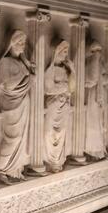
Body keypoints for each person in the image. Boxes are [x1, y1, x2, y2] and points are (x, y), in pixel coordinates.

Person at [0, 30, 35, 185]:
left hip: (24, 102)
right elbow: (6, 84)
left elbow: (33, 80)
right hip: (11, 105)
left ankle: (14, 169)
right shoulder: (5, 62)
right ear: (10, 44)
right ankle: (1, 170)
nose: (22, 46)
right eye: (19, 42)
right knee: (13, 139)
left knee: (21, 139)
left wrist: (27, 68)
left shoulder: (21, 63)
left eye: (23, 43)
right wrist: (26, 74)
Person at [44, 41, 75, 172]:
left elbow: (72, 88)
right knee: (49, 133)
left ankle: (57, 161)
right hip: (53, 105)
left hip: (64, 105)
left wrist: (72, 70)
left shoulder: (66, 70)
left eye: (67, 52)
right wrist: (64, 87)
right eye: (63, 51)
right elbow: (48, 89)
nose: (65, 54)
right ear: (56, 52)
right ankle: (49, 159)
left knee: (62, 132)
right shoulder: (50, 69)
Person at [85, 40, 108, 161]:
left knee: (101, 122)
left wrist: (102, 78)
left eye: (99, 51)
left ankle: (100, 148)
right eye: (96, 51)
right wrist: (98, 78)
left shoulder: (100, 64)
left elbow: (107, 78)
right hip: (93, 96)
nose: (98, 54)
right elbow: (90, 80)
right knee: (94, 122)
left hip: (100, 96)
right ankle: (93, 149)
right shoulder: (90, 63)